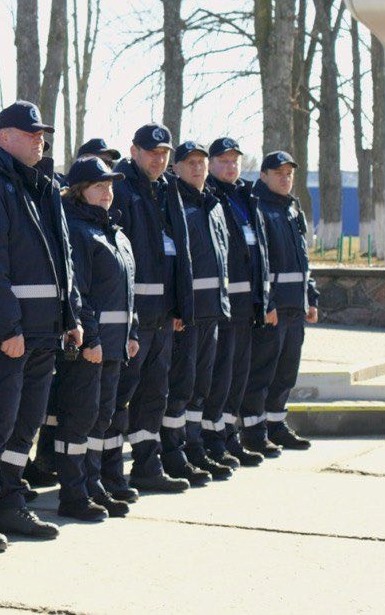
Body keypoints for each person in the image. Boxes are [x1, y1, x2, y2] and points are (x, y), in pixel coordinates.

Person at [0, 101, 78, 552]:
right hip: (4, 335)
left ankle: (10, 501)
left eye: (42, 133)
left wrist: (71, 317)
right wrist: (8, 327)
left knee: (24, 427)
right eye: (30, 133)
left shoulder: (42, 186)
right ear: (4, 136)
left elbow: (63, 259)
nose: (39, 139)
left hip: (44, 332)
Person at [107, 122, 194, 495]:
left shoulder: (166, 190)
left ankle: (147, 465)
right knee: (120, 396)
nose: (158, 160)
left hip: (162, 316)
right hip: (134, 316)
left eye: (164, 154)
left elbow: (179, 253)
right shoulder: (122, 189)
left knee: (154, 394)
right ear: (134, 151)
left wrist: (179, 307)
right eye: (152, 152)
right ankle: (108, 474)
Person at [53, 156, 138, 521]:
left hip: (116, 345)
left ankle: (92, 483)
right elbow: (79, 292)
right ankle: (73, 493)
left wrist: (131, 332)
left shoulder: (114, 232)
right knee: (80, 419)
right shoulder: (77, 230)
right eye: (98, 186)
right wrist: (90, 340)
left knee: (102, 418)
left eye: (110, 186)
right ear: (79, 191)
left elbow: (127, 292)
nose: (107, 193)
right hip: (91, 347)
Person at [241, 151, 319, 455]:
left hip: (295, 307)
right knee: (263, 371)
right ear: (263, 176)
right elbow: (259, 262)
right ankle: (254, 431)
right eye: (278, 173)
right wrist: (267, 303)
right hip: (273, 310)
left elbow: (304, 261)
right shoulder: (258, 207)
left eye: (289, 173)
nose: (285, 178)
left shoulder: (291, 209)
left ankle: (276, 425)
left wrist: (310, 297)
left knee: (287, 371)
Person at [165, 141, 234, 484]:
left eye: (201, 162)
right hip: (188, 316)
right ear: (175, 167)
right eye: (189, 162)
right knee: (181, 387)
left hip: (212, 313)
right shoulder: (173, 203)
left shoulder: (213, 205)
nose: (197, 168)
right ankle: (174, 453)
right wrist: (178, 307)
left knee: (201, 387)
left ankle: (194, 448)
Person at [205, 137, 273, 469]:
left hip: (247, 309)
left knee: (239, 378)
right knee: (220, 379)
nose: (230, 167)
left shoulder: (246, 197)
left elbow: (259, 254)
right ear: (211, 164)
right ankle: (213, 442)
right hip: (223, 308)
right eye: (223, 161)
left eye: (234, 161)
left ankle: (230, 438)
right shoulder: (211, 198)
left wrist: (263, 300)